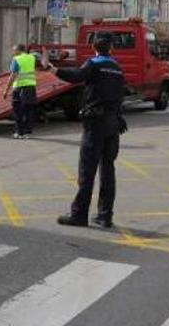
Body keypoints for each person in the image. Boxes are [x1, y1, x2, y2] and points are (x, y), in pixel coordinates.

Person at [47, 33, 126, 228]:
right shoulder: (117, 68)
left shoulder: (94, 64)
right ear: (111, 49)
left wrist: (53, 69)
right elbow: (120, 95)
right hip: (113, 124)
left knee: (87, 170)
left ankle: (79, 215)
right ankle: (105, 215)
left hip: (96, 124)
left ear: (94, 48)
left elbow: (76, 76)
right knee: (108, 170)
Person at [3, 44, 43, 139]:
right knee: (28, 110)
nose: (13, 52)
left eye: (14, 50)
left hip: (19, 88)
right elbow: (41, 62)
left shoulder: (17, 59)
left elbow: (13, 76)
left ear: (18, 50)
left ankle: (19, 132)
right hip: (30, 87)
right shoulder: (32, 57)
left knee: (18, 111)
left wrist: (6, 90)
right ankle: (27, 133)